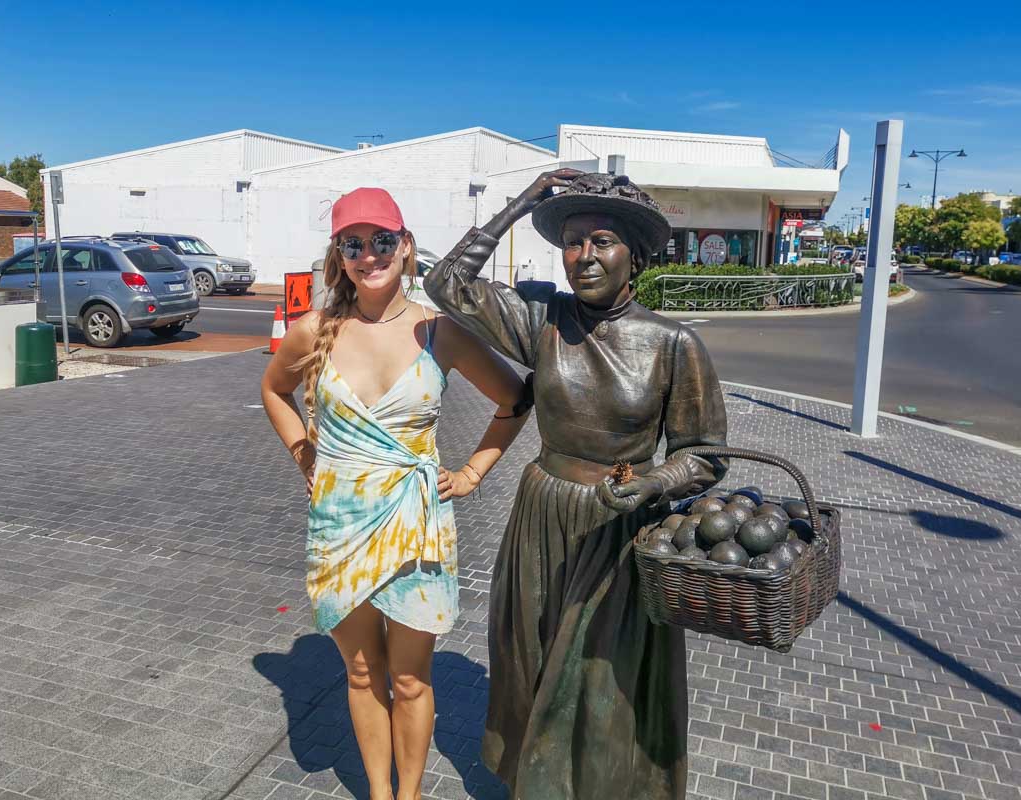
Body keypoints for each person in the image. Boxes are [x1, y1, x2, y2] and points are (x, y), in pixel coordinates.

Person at [425, 170, 729, 799]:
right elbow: (445, 284)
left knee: (598, 675)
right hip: (542, 513)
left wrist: (651, 486)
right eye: (571, 242)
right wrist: (524, 200)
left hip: (617, 525)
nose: (584, 256)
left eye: (603, 241)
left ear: (635, 256)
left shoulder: (675, 344)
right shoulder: (543, 319)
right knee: (529, 657)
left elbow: (703, 455)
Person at [260, 187, 530, 800]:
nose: (369, 254)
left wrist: (472, 473)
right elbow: (273, 391)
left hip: (417, 522)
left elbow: (515, 400)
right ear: (339, 253)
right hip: (339, 524)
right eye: (353, 243)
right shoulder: (313, 331)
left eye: (382, 240)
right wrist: (304, 452)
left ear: (405, 246)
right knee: (360, 673)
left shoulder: (442, 333)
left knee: (409, 678)